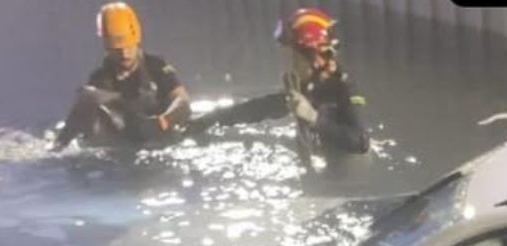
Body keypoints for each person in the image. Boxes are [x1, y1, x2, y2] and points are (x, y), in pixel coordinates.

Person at [189, 8, 370, 159]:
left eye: (291, 54)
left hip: (349, 176)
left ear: (313, 56)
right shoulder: (306, 85)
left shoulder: (343, 88)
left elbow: (361, 143)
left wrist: (314, 118)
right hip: (322, 165)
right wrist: (211, 120)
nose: (286, 61)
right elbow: (261, 109)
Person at [52, 3, 191, 150]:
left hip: (161, 137)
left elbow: (183, 102)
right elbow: (81, 116)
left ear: (137, 41)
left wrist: (162, 122)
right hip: (126, 142)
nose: (124, 54)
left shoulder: (156, 66)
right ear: (108, 48)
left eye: (129, 46)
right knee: (89, 97)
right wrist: (60, 145)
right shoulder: (100, 80)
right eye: (118, 49)